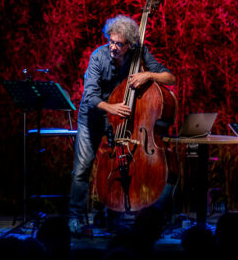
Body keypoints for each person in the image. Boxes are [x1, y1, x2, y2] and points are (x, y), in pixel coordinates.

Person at [68, 14, 176, 236]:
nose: (113, 47)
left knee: (120, 166)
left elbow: (170, 78)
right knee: (82, 168)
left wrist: (148, 74)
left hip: (121, 120)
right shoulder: (98, 57)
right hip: (94, 117)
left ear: (130, 44)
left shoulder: (140, 53)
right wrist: (111, 107)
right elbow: (89, 96)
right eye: (111, 41)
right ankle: (75, 218)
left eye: (119, 44)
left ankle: (114, 218)